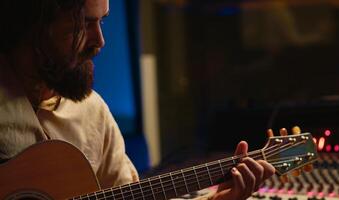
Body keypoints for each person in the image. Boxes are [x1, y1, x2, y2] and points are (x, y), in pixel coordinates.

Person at [0, 0, 275, 199]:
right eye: (83, 25)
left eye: (102, 20)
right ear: (35, 28)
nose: (100, 40)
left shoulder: (92, 113)